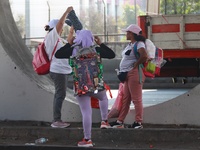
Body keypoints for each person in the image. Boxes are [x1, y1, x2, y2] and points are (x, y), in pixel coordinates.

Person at [55, 27, 115, 147]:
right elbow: (111, 55)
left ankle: (87, 139)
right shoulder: (96, 49)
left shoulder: (73, 50)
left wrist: (69, 43)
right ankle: (104, 121)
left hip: (81, 86)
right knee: (103, 98)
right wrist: (101, 43)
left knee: (86, 112)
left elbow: (58, 54)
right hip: (96, 84)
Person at [44, 6, 77, 128]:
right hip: (58, 70)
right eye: (61, 27)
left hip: (63, 70)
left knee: (60, 94)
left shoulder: (57, 40)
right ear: (56, 27)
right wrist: (67, 12)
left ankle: (56, 119)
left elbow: (68, 44)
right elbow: (60, 23)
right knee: (60, 94)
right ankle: (56, 120)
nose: (62, 28)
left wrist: (71, 32)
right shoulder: (52, 36)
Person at [109, 24, 148, 129]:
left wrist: (135, 65)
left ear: (132, 34)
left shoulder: (139, 44)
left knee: (136, 99)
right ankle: (120, 121)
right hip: (127, 74)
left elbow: (144, 55)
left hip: (133, 74)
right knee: (126, 99)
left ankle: (138, 122)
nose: (126, 34)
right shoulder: (130, 45)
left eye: (128, 32)